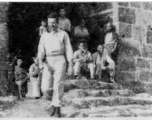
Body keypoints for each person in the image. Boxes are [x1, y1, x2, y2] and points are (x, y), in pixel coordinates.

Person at [38, 12, 73, 118]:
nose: (51, 25)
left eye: (53, 23)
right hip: (48, 61)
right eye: (49, 22)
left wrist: (70, 64)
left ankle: (57, 108)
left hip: (59, 60)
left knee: (58, 85)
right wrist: (40, 62)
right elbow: (40, 50)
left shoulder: (63, 34)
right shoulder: (44, 35)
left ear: (58, 23)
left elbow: (68, 49)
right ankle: (54, 103)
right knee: (45, 88)